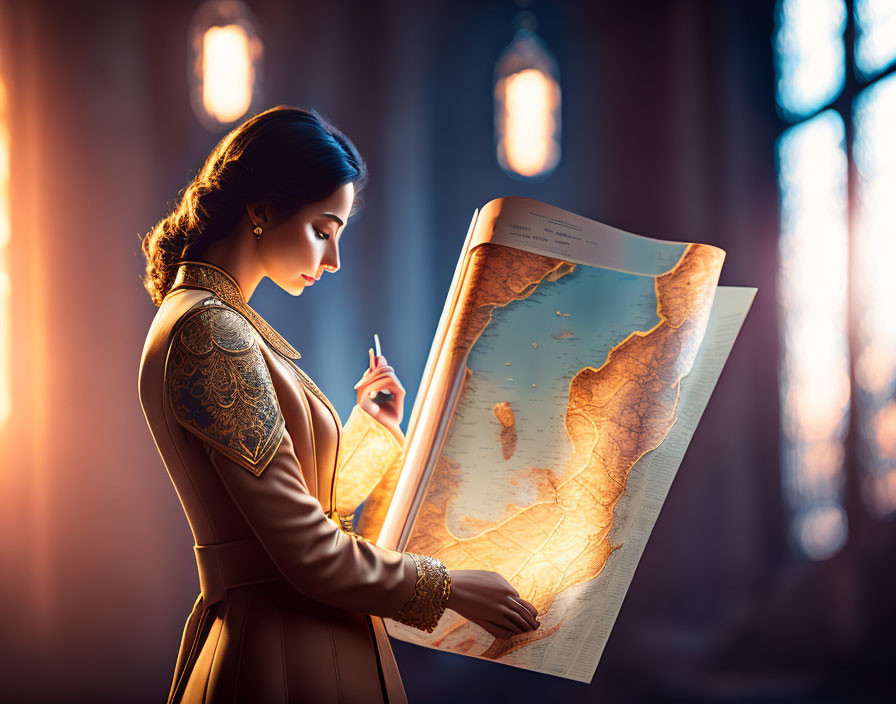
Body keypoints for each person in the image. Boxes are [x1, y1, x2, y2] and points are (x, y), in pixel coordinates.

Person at [137, 105, 539, 704]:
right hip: (282, 650)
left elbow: (294, 516)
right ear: (263, 209)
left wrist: (372, 430)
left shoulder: (218, 321)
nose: (334, 259)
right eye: (323, 230)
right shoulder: (213, 333)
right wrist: (448, 587)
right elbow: (301, 550)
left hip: (301, 634)